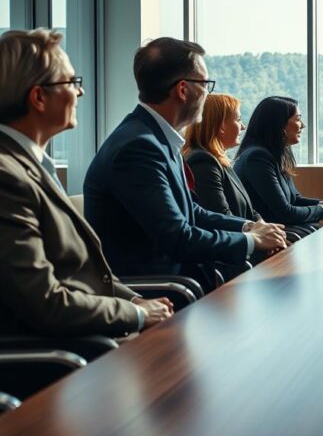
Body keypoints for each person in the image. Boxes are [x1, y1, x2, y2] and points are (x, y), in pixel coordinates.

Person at [0, 29, 172, 336]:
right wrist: (135, 314)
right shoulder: (7, 177)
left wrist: (134, 300)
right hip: (59, 353)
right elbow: (45, 302)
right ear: (38, 97)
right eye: (71, 82)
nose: (80, 92)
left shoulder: (32, 166)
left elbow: (83, 274)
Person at [84, 38, 287, 292]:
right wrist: (251, 241)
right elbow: (178, 238)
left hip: (184, 282)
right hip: (162, 293)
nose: (207, 94)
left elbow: (191, 211)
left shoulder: (154, 138)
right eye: (205, 85)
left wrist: (248, 227)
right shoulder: (138, 147)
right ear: (183, 89)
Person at [183, 94, 310, 244]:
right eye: (238, 120)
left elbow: (250, 209)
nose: (243, 127)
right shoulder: (204, 162)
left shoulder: (219, 160)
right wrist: (257, 236)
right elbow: (221, 216)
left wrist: (263, 227)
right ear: (221, 126)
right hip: (233, 246)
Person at [234, 96, 323, 233]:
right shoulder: (257, 157)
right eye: (298, 119)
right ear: (279, 124)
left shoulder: (273, 154)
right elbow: (285, 213)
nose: (302, 125)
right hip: (271, 234)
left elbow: (294, 199)